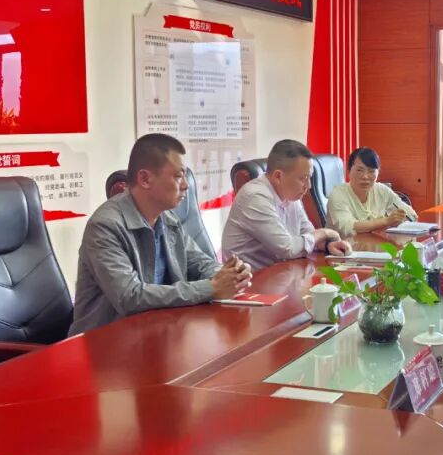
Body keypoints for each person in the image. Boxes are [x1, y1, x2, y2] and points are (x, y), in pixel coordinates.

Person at [70, 134, 251, 335]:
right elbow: (130, 297)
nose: (186, 185)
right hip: (105, 340)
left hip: (158, 330)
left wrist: (230, 274)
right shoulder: (105, 226)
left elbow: (199, 262)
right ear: (145, 179)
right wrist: (211, 288)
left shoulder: (167, 219)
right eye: (178, 176)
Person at [222, 139, 351, 270]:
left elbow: (308, 233)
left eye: (309, 177)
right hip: (251, 278)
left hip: (283, 272)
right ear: (278, 176)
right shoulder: (254, 197)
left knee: (337, 278)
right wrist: (324, 232)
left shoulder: (290, 195)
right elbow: (287, 248)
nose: (308, 186)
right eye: (303, 178)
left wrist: (327, 245)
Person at [326, 147, 417, 237]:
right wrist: (386, 221)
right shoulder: (337, 194)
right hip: (344, 245)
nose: (365, 177)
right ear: (349, 171)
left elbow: (411, 215)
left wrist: (399, 219)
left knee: (410, 245)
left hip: (375, 244)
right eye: (359, 170)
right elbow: (348, 227)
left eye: (371, 171)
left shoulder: (382, 191)